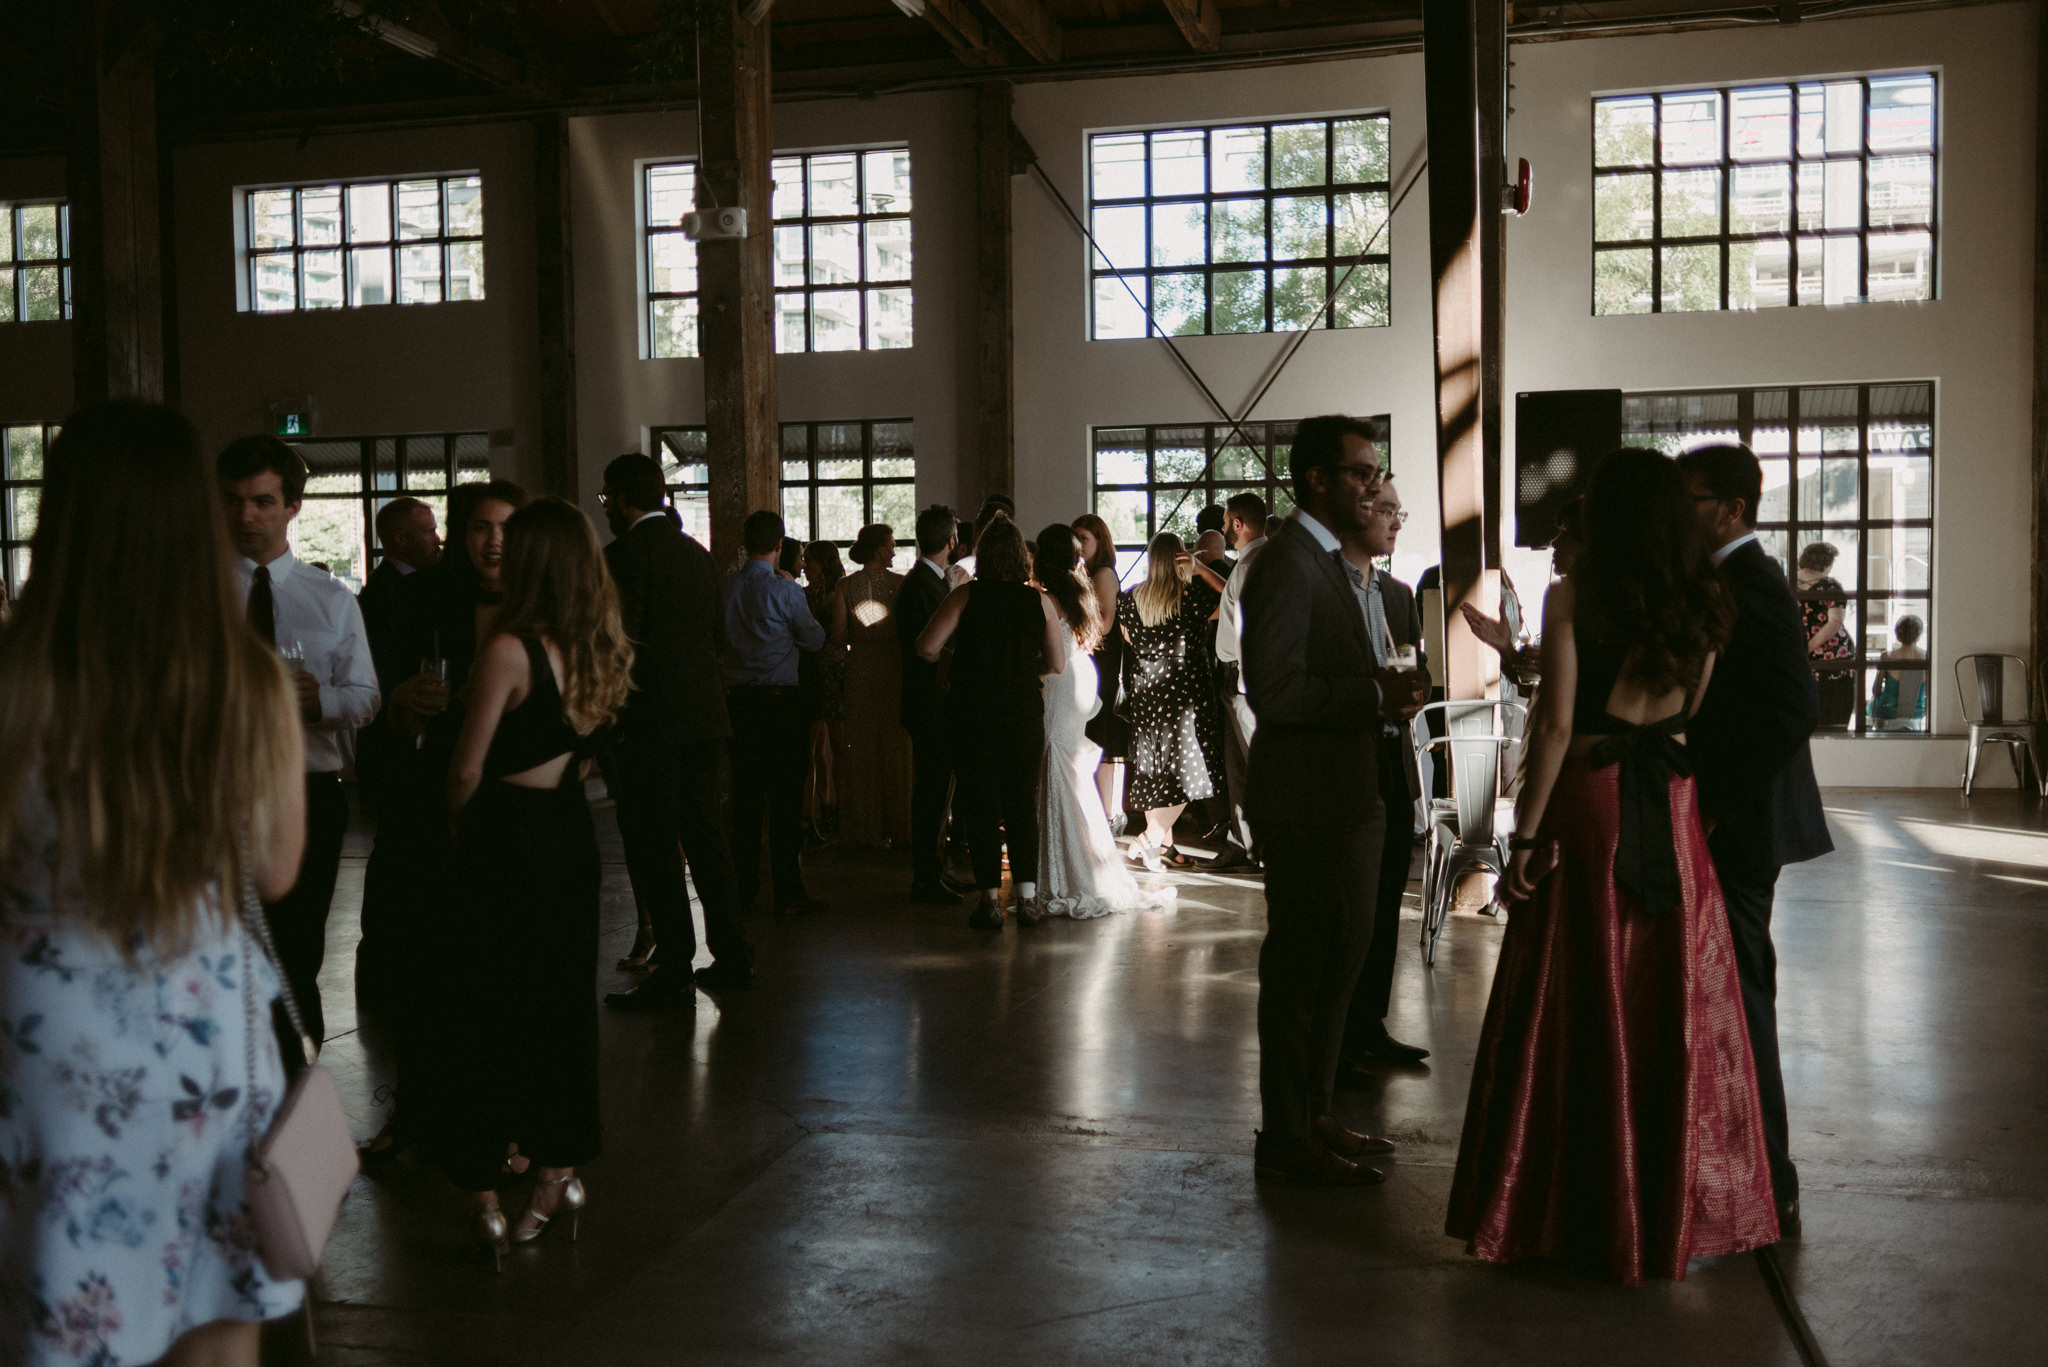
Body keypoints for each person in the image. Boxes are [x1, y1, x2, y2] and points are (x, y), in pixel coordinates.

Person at [0, 401, 309, 1367]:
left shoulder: (14, 679)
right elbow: (278, 870)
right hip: (200, 1044)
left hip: (42, 1038)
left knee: (57, 1312)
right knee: (217, 1328)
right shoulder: (246, 683)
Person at [1447, 447, 1780, 1284]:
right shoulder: (1708, 598)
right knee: (1668, 996)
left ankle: (1568, 1204)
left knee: (1575, 992)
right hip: (1670, 803)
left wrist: (1523, 840)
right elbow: (1693, 714)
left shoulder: (1572, 592)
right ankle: (1661, 1208)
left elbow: (1555, 727)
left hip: (1592, 800)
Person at [427, 496, 632, 1268]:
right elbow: (584, 753)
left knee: (481, 1006)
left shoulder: (510, 648)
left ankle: (484, 1180)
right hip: (568, 831)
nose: (497, 547)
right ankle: (556, 1171)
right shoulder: (598, 647)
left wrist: (454, 830)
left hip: (504, 835)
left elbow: (467, 769)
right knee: (559, 1005)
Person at [1240, 414, 1420, 1186]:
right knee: (1301, 971)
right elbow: (1275, 691)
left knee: (1339, 963)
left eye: (1374, 471)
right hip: (1308, 798)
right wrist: (1371, 694)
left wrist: (1381, 699)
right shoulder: (1286, 563)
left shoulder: (1333, 564)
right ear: (1316, 478)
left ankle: (1314, 1112)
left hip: (1348, 792)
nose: (1373, 484)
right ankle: (1284, 1133)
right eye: (1359, 472)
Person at [1678, 444, 1833, 1235]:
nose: (1683, 511)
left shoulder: (1756, 583)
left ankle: (1772, 1176)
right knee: (1735, 995)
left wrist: (1716, 805)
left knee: (1744, 998)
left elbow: (1790, 707)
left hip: (1742, 825)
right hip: (1739, 819)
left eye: (1692, 498)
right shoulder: (1729, 580)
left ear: (1731, 509)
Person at [358, 480, 528, 1163]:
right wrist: (398, 710)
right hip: (428, 799)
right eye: (480, 527)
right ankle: (417, 1110)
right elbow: (376, 713)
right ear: (459, 537)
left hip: (512, 806)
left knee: (508, 977)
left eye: (507, 528)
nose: (493, 541)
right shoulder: (420, 602)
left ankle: (511, 1120)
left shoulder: (539, 611)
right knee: (423, 967)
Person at [218, 434, 380, 1044]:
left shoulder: (332, 599)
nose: (246, 517)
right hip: (216, 791)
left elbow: (366, 699)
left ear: (293, 507)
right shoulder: (198, 598)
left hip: (309, 789)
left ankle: (296, 1099)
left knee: (295, 954)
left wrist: (321, 702)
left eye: (262, 502)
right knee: (222, 951)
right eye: (233, 501)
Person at [596, 454, 754, 1011]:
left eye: (605, 498)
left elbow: (620, 644)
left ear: (620, 497)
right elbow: (715, 638)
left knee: (654, 844)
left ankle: (674, 967)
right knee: (709, 838)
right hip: (705, 718)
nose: (605, 507)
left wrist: (610, 717)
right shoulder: (696, 555)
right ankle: (733, 955)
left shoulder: (619, 558)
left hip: (649, 724)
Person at [916, 513, 1064, 929]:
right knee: (1021, 804)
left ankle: (988, 902)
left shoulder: (965, 596)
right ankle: (1028, 900)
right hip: (1020, 709)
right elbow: (1057, 663)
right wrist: (1022, 672)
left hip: (971, 710)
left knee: (980, 804)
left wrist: (957, 660)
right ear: (1021, 556)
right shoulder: (1039, 601)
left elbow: (925, 647)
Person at [1337, 477, 1432, 1069]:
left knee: (1387, 901)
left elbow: (1414, 668)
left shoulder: (1398, 595)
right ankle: (1337, 1040)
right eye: (1389, 510)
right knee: (1347, 907)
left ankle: (1369, 1023)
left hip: (1393, 762)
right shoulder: (1324, 588)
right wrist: (1374, 696)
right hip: (1345, 762)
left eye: (1402, 511)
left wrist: (1414, 692)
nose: (1398, 521)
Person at [1033, 523, 1176, 919]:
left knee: (1056, 766)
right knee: (1069, 769)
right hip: (1081, 680)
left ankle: (1066, 874)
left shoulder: (1045, 598)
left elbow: (1050, 655)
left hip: (1062, 682)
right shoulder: (1079, 591)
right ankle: (1081, 863)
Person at [725, 510, 829, 916]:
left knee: (745, 801)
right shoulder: (787, 592)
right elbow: (815, 640)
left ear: (745, 543)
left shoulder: (726, 587)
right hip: (780, 705)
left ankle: (745, 888)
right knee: (786, 801)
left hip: (738, 704)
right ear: (780, 545)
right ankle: (788, 891)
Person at [1116, 533, 1223, 871]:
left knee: (1155, 768)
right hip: (1185, 691)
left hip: (1147, 690)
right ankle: (1152, 837)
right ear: (1180, 558)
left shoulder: (1131, 600)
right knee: (1191, 769)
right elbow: (1235, 597)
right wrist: (1203, 568)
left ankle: (1164, 845)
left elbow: (1129, 638)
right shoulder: (1191, 598)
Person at [835, 523, 913, 847]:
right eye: (892, 545)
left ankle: (865, 831)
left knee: (862, 750)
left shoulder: (844, 586)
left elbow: (839, 635)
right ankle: (901, 828)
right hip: (893, 668)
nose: (894, 551)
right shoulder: (900, 584)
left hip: (859, 669)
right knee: (896, 750)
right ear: (881, 550)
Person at [898, 506, 959, 903]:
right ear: (951, 541)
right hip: (930, 703)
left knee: (937, 792)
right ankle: (925, 877)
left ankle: (933, 870)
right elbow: (931, 650)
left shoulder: (927, 580)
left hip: (929, 702)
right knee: (932, 793)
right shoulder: (923, 584)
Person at [1208, 492, 1268, 872]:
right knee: (1240, 767)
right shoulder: (1257, 560)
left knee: (1255, 764)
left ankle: (1263, 847)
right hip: (1239, 680)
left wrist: (1247, 685)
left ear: (1239, 524)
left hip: (1243, 682)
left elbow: (1249, 629)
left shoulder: (1248, 567)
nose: (1224, 529)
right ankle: (1246, 843)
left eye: (1227, 522)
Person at [1072, 513, 1129, 833]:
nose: (1079, 545)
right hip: (1095, 659)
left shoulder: (1104, 574)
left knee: (1104, 735)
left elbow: (1105, 624)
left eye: (1085, 538)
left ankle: (1109, 814)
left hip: (1103, 662)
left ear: (1099, 541)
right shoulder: (1088, 572)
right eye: (1076, 538)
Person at [801, 540, 848, 843]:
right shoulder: (802, 593)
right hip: (811, 672)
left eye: (810, 561)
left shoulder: (840, 591)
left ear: (824, 563)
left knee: (839, 746)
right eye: (803, 560)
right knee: (815, 747)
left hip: (835, 670)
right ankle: (822, 807)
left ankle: (839, 807)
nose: (805, 566)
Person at [1796, 541, 1856, 729]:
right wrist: (1811, 647)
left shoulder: (1787, 582)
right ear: (1826, 563)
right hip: (1833, 657)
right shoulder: (1830, 585)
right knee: (1834, 717)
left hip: (1799, 656)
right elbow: (1835, 622)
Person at [1870, 613, 1929, 730]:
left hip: (1888, 711)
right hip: (1916, 712)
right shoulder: (1927, 657)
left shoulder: (1887, 656)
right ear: (1919, 635)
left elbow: (1875, 690)